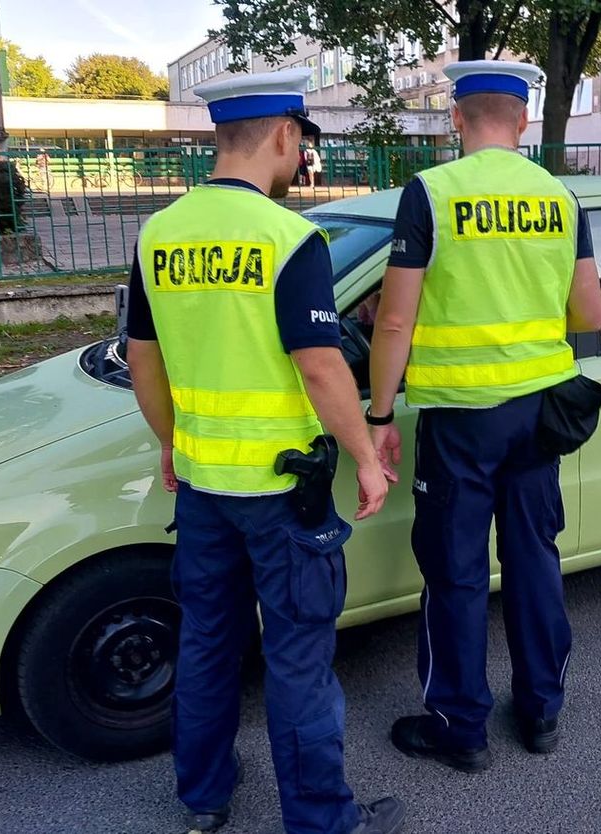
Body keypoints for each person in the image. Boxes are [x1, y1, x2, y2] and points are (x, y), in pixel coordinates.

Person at [125, 67, 405, 834]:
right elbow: (320, 364)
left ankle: (204, 799)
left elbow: (141, 356)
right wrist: (368, 456)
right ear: (285, 135)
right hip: (285, 494)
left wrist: (173, 441)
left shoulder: (160, 234)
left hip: (206, 489)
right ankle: (322, 821)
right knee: (297, 660)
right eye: (301, 145)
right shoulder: (289, 238)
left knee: (210, 645)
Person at [366, 60, 601, 773]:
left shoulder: (432, 194)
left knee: (457, 573)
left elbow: (393, 324)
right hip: (540, 416)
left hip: (460, 422)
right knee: (535, 561)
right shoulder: (560, 198)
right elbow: (591, 314)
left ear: (457, 121)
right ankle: (541, 712)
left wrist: (380, 414)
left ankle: (460, 727)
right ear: (524, 122)